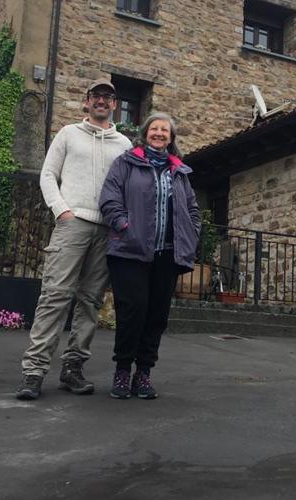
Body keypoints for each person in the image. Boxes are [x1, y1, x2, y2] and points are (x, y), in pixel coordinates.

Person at [16, 78, 132, 400]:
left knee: (91, 301)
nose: (101, 101)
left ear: (114, 104)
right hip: (72, 223)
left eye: (107, 97)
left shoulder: (123, 144)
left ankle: (73, 369)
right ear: (87, 101)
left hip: (106, 230)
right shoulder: (68, 134)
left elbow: (127, 187)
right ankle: (34, 372)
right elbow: (48, 174)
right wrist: (61, 210)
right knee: (55, 296)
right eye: (96, 96)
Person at [99, 112, 200, 399]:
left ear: (171, 137)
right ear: (145, 134)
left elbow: (192, 209)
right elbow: (109, 198)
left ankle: (143, 374)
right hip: (129, 251)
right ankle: (122, 371)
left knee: (156, 315)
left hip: (166, 255)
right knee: (132, 311)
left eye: (165, 130)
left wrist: (191, 232)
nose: (159, 133)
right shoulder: (126, 163)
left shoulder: (179, 172)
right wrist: (124, 226)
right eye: (154, 128)